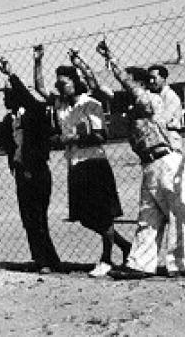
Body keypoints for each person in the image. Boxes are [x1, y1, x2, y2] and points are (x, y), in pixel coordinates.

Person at [96, 42, 185, 279]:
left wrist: (113, 62)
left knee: (180, 212)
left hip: (166, 159)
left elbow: (129, 85)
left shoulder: (151, 100)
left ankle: (183, 264)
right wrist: (83, 66)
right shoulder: (134, 107)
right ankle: (140, 264)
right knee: (148, 217)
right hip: (149, 165)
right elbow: (98, 88)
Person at [51, 57, 131, 277]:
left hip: (93, 163)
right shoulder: (62, 107)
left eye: (64, 83)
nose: (60, 87)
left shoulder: (90, 104)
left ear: (75, 82)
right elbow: (39, 89)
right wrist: (37, 61)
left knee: (103, 214)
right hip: (75, 164)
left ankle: (106, 259)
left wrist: (73, 137)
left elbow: (101, 136)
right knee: (85, 218)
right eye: (58, 84)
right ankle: (125, 246)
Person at [0, 58, 61, 274]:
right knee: (29, 219)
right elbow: (7, 146)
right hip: (21, 173)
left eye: (7, 94)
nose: (4, 98)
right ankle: (43, 258)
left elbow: (29, 100)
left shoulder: (35, 113)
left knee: (38, 216)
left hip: (37, 171)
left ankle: (46, 260)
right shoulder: (7, 122)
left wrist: (12, 75)